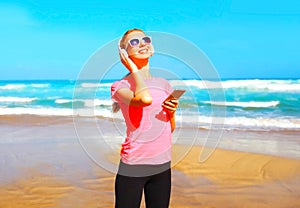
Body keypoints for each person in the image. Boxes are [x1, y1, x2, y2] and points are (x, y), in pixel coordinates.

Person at [111, 28, 179, 208]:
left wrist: (171, 113)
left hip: (163, 164)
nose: (142, 44)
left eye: (145, 39)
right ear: (124, 53)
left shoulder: (164, 84)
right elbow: (144, 99)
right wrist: (134, 69)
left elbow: (169, 128)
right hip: (134, 166)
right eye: (134, 42)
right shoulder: (120, 86)